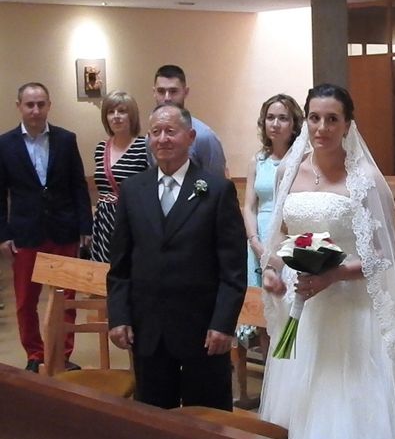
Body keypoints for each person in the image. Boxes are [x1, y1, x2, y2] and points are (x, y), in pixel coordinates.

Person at [259, 83, 395, 439]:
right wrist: (273, 270)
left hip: (351, 307)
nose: (322, 128)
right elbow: (282, 235)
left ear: (348, 124)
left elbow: (387, 254)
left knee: (349, 399)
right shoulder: (287, 172)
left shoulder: (366, 180)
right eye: (314, 118)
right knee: (305, 397)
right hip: (304, 307)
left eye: (332, 119)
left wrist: (336, 274)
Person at [107, 103, 246, 409]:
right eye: (155, 132)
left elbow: (233, 270)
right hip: (149, 330)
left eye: (171, 131)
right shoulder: (133, 190)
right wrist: (119, 316)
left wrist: (223, 324)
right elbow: (120, 266)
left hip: (203, 330)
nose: (162, 139)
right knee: (155, 420)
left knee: (206, 422)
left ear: (191, 136)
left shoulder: (216, 190)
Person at [0, 82, 93, 373]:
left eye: (41, 104)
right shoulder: (5, 145)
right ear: (19, 107)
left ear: (49, 105)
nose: (36, 110)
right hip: (26, 234)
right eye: (30, 105)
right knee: (26, 300)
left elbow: (79, 185)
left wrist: (84, 225)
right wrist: (3, 234)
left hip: (63, 230)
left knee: (67, 298)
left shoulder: (66, 140)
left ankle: (62, 354)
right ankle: (35, 353)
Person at [236, 94, 303, 404]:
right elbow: (249, 205)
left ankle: (293, 384)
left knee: (290, 310)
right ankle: (271, 387)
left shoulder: (302, 158)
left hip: (290, 240)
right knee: (264, 314)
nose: (276, 124)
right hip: (258, 239)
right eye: (271, 118)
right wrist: (254, 241)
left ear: (294, 124)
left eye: (283, 118)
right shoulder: (258, 160)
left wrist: (277, 246)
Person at [90, 91, 147, 263]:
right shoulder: (101, 148)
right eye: (110, 112)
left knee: (129, 268)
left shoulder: (144, 147)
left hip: (132, 218)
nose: (116, 117)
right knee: (102, 273)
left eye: (122, 111)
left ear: (132, 115)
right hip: (103, 220)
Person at [148, 64, 227, 178]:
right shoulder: (150, 138)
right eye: (161, 91)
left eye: (173, 91)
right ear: (154, 92)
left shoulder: (204, 136)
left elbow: (217, 185)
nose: (167, 98)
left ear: (185, 92)